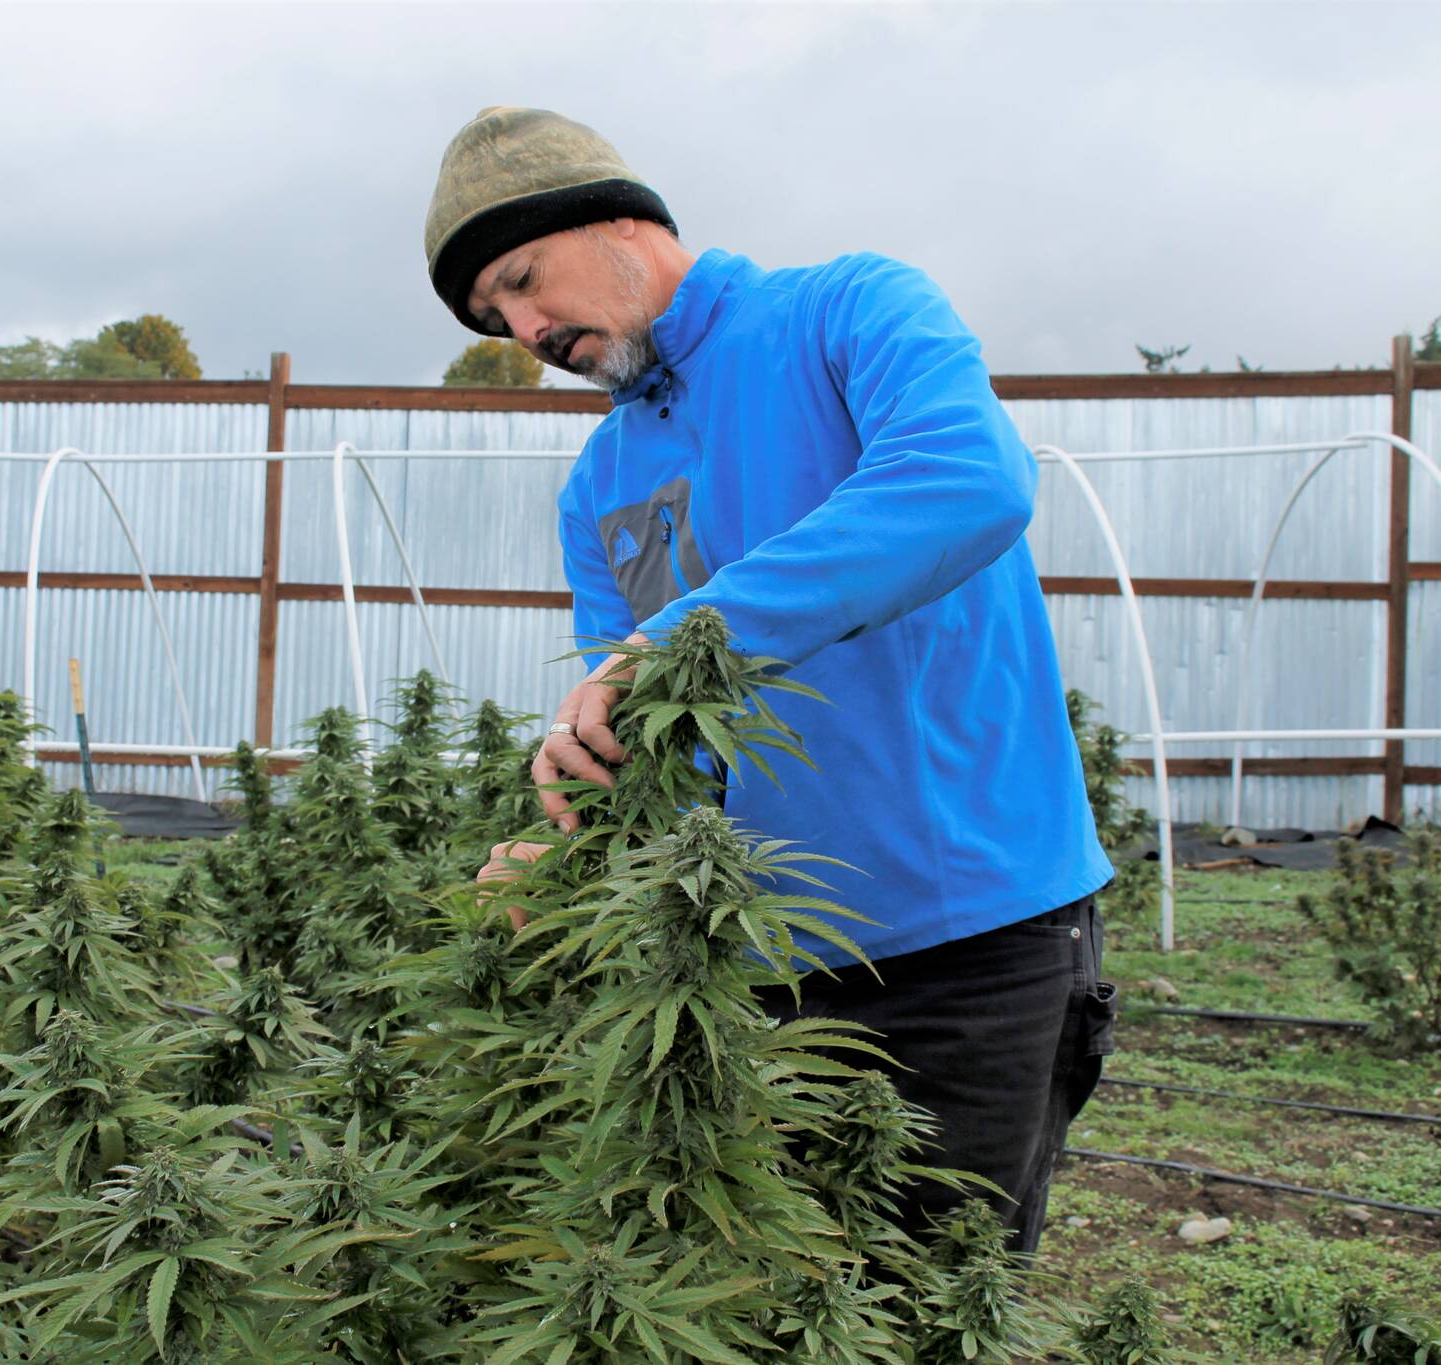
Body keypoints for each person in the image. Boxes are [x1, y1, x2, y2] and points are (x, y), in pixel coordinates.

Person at [427, 106, 1117, 1254]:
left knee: (919, 1307)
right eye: (494, 318)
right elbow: (646, 733)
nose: (525, 328)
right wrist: (571, 836)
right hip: (741, 973)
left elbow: (962, 481)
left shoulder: (846, 309)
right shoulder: (600, 478)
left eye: (520, 279)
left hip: (968, 948)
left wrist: (689, 630)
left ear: (616, 221)